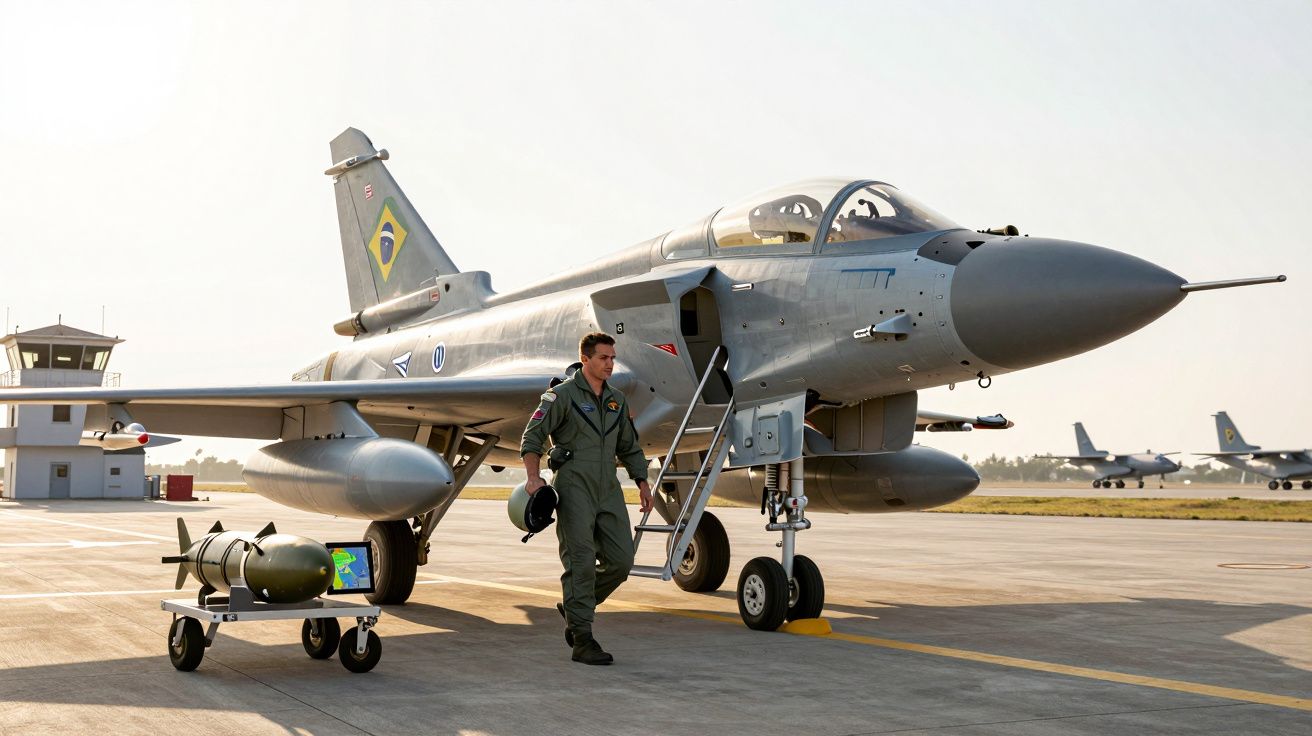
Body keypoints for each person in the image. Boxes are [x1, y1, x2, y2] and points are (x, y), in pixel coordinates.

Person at [521, 332, 652, 665]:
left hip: (608, 487)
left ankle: (575, 606)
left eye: (612, 358)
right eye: (603, 358)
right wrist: (533, 477)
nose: (610, 364)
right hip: (574, 484)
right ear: (585, 360)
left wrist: (642, 482)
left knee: (621, 562)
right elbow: (532, 437)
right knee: (580, 562)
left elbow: (629, 447)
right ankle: (582, 639)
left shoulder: (616, 400)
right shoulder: (560, 396)